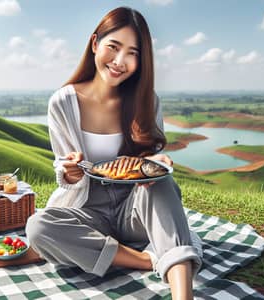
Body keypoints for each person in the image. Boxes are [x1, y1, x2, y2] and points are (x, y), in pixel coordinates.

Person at [26, 7, 202, 300]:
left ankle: (183, 295)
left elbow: (150, 158)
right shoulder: (62, 102)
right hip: (87, 210)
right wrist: (68, 172)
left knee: (164, 182)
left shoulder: (147, 101)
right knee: (38, 228)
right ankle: (147, 259)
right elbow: (65, 171)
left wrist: (154, 163)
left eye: (133, 53)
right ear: (95, 44)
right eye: (114, 47)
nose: (120, 61)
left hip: (134, 212)